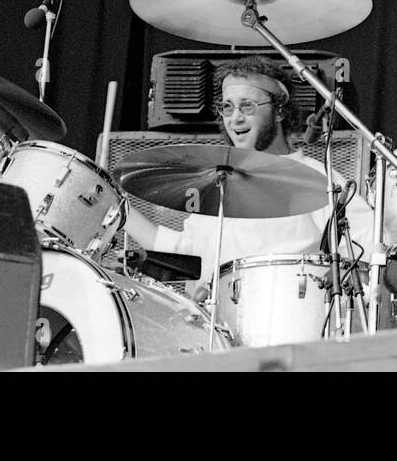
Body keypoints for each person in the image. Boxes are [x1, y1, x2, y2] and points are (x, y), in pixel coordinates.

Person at [123, 56, 377, 305]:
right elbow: (184, 252)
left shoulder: (319, 180)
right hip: (218, 334)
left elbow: (370, 251)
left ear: (279, 111)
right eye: (227, 107)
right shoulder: (215, 182)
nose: (235, 118)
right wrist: (118, 212)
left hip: (294, 329)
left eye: (247, 106)